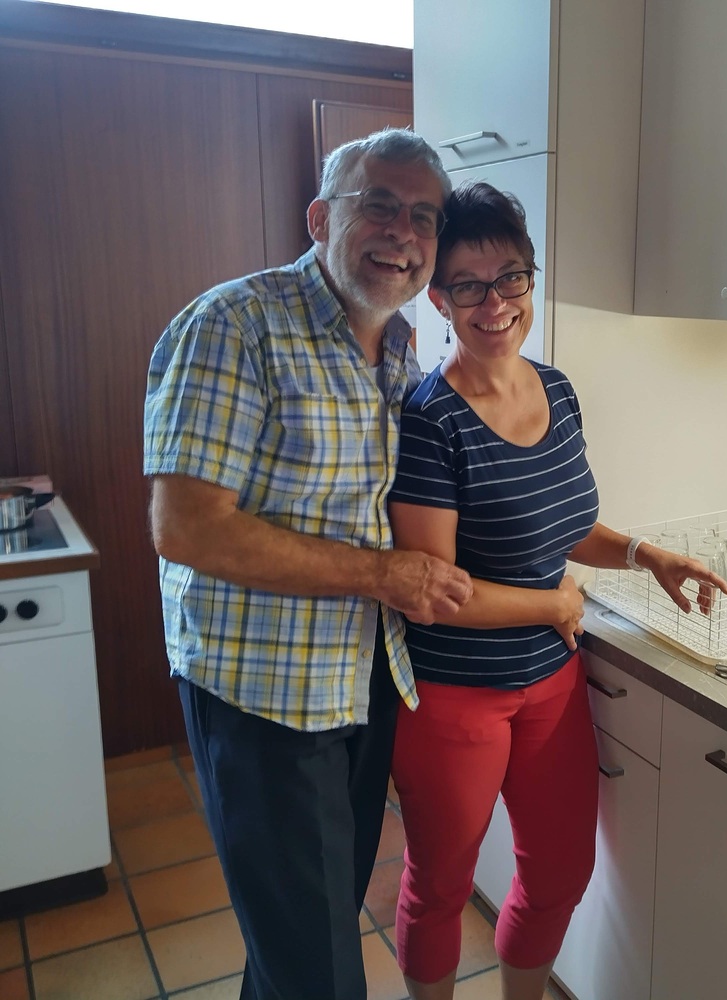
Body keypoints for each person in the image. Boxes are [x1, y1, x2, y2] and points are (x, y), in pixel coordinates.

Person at [142, 128, 473, 1000]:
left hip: (361, 679)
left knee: (297, 945)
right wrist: (382, 575)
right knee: (318, 970)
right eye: (380, 206)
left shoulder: (399, 348)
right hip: (262, 693)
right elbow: (187, 529)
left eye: (424, 217)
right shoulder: (234, 325)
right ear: (321, 218)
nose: (403, 233)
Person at [387, 181, 727, 1000]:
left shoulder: (557, 389)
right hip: (455, 695)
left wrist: (644, 554)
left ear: (531, 279)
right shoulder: (430, 420)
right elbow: (435, 590)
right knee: (440, 884)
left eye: (511, 276)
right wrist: (554, 604)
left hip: (550, 684)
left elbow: (560, 527)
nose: (495, 303)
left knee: (559, 872)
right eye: (469, 285)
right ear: (438, 300)